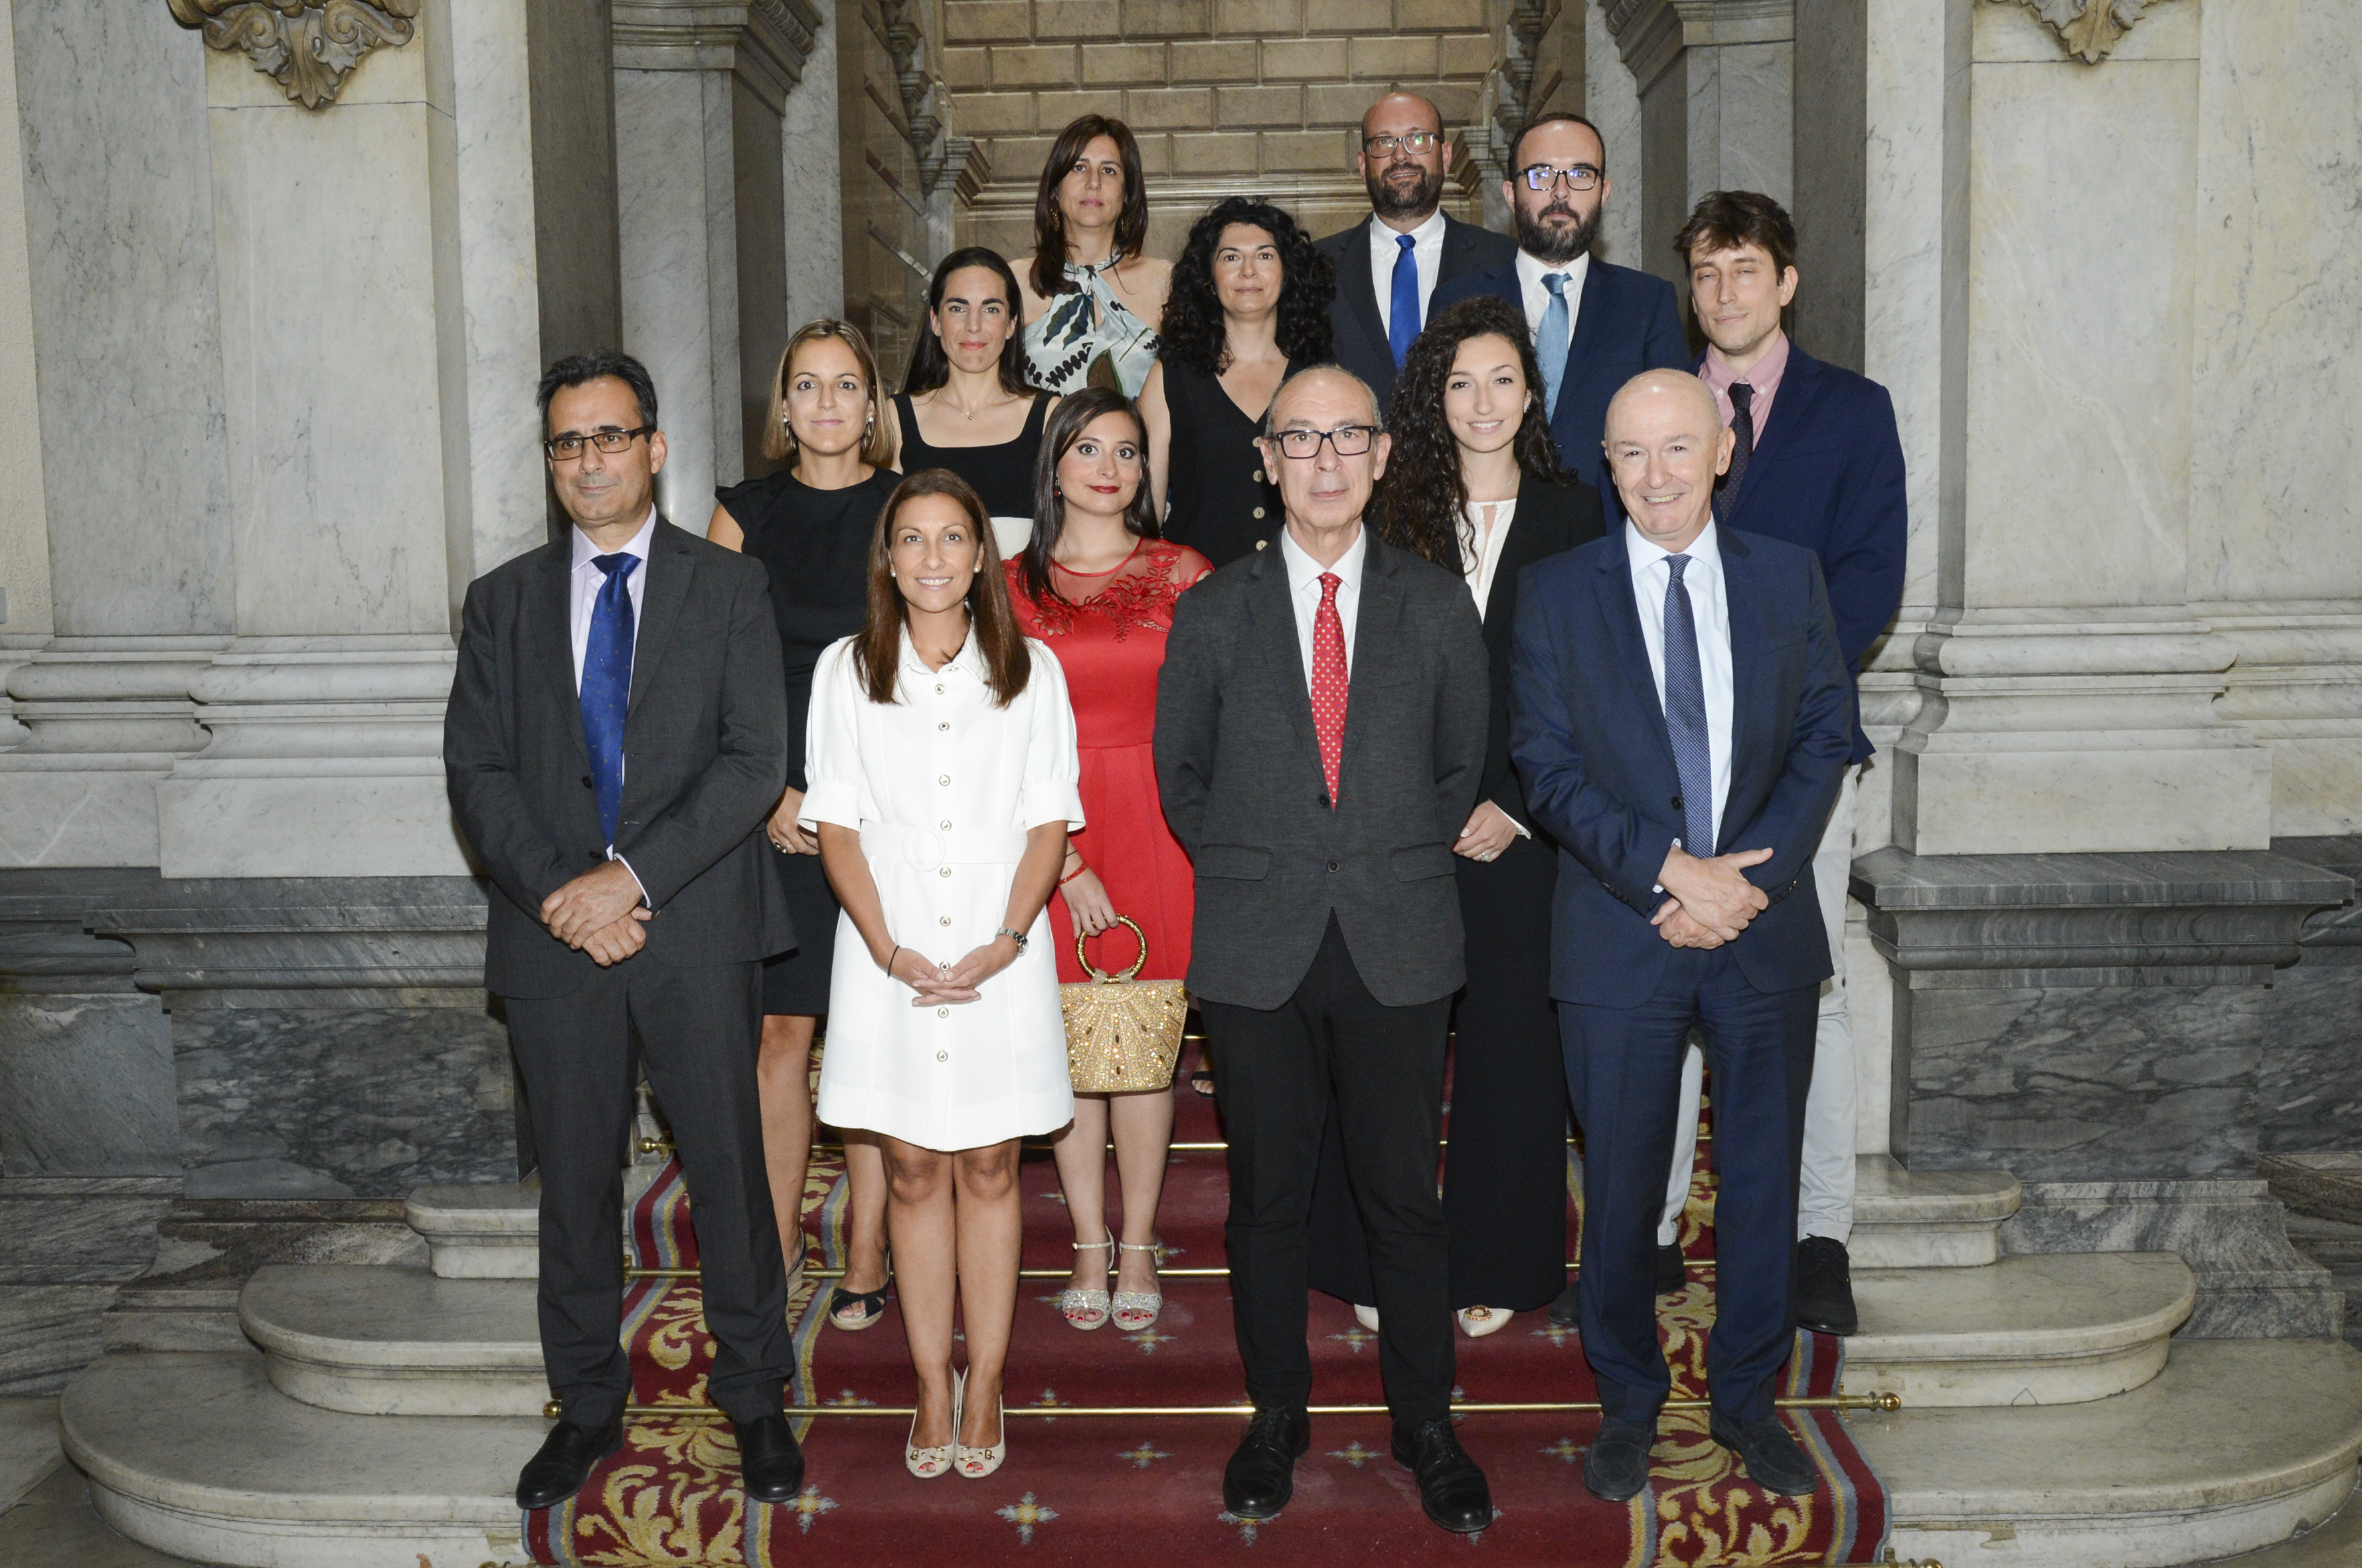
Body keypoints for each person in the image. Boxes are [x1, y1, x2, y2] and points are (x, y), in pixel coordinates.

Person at [444, 350, 804, 1510]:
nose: (590, 459)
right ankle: (587, 1403)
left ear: (655, 447)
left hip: (694, 924)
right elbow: (478, 772)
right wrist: (571, 892)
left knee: (730, 1173)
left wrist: (630, 881)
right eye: (568, 441)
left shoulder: (728, 586)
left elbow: (754, 759)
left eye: (610, 435)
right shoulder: (500, 601)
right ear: (550, 461)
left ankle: (754, 1394)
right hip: (553, 936)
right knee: (573, 1182)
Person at [1154, 365, 1494, 1535]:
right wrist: (1269, 860)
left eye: (1349, 434)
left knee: (1404, 1199)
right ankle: (1275, 1417)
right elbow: (1181, 778)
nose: (1326, 457)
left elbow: (1458, 765)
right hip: (1260, 943)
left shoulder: (1436, 605)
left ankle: (1427, 1423)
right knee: (1268, 1199)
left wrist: (1371, 853)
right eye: (1300, 438)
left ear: (1384, 454)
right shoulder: (1213, 611)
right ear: (1266, 461)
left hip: (1398, 934)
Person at [1509, 369, 1851, 1503]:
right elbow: (1545, 766)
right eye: (1630, 452)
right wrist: (1670, 872)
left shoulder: (1787, 577)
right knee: (1617, 1189)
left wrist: (1747, 883)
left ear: (1719, 451)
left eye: (1675, 447)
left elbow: (1825, 736)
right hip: (1621, 929)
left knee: (1761, 1185)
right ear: (1605, 466)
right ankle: (1628, 1399)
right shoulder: (1556, 592)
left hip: (1761, 928)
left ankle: (1748, 1401)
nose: (1655, 475)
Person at [1308, 295, 1604, 1338]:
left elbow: (1591, 682)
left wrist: (1517, 805)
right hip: (1397, 825)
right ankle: (1368, 1255)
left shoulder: (1575, 514)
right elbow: (1356, 673)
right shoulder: (1392, 512)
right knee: (1384, 1053)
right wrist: (1420, 800)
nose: (1483, 402)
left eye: (1503, 380)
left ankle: (1496, 1258)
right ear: (1433, 397)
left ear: (1531, 394)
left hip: (1524, 826)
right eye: (1461, 382)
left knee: (1511, 1052)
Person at [1645, 192, 1907, 1336]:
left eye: (1745, 269)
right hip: (1664, 753)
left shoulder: (1851, 411)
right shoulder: (1657, 407)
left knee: (1814, 987)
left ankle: (1817, 1238)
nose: (1725, 293)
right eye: (1706, 273)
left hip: (1803, 751)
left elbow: (1869, 578)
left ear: (1786, 281)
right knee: (1664, 984)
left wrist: (1768, 705)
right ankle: (1652, 1229)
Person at [803, 469, 1082, 1481]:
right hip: (889, 949)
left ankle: (988, 1377)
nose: (932, 557)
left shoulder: (1031, 668)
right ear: (887, 558)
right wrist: (887, 949)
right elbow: (837, 826)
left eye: (951, 537)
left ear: (981, 557)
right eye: (912, 538)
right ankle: (930, 1383)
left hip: (1003, 946)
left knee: (993, 1164)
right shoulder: (845, 668)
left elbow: (1048, 823)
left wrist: (1007, 938)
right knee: (914, 1167)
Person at [1006, 389, 1213, 1333]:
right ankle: (1088, 1240)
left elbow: (1219, 711)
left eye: (1126, 451)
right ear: (1053, 465)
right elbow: (992, 731)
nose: (1108, 467)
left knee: (1140, 1048)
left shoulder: (1184, 572)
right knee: (1070, 1049)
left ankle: (1136, 1243)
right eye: (1087, 448)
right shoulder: (1007, 585)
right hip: (1046, 828)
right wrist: (1062, 859)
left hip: (1160, 828)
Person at [708, 319, 900, 1336]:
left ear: (873, 404)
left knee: (870, 1032)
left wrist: (858, 802)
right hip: (772, 805)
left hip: (886, 802)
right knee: (779, 1033)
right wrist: (770, 794)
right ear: (783, 407)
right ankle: (777, 1238)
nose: (827, 403)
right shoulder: (743, 513)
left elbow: (938, 657)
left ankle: (869, 1243)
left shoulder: (906, 507)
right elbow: (704, 670)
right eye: (808, 386)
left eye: (846, 385)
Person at [1432, 113, 1685, 487]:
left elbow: (1675, 429)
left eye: (1581, 174)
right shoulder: (1457, 301)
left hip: (1606, 516)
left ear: (1604, 192)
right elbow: (1433, 430)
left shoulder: (1647, 303)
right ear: (1510, 193)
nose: (1561, 192)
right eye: (1541, 174)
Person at [1140, 196, 1334, 568]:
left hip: (1301, 586)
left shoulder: (1322, 374)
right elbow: (1145, 512)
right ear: (1209, 279)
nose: (1248, 271)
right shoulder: (1169, 376)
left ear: (1287, 273)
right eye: (1231, 257)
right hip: (1198, 588)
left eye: (1265, 256)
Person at [1313, 92, 1515, 416]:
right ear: (1363, 165)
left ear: (1446, 156)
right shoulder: (1316, 266)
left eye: (1418, 139)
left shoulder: (1504, 260)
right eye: (1383, 142)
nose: (1401, 156)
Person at [891, 246, 1057, 560]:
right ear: (935, 321)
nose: (974, 325)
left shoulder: (1051, 415)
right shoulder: (896, 418)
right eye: (958, 308)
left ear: (1012, 324)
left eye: (991, 309)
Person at [1019, 115, 1170, 397]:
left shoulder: (1167, 281)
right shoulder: (1014, 281)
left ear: (1127, 193)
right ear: (1055, 189)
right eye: (1079, 168)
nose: (1094, 182)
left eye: (1109, 171)